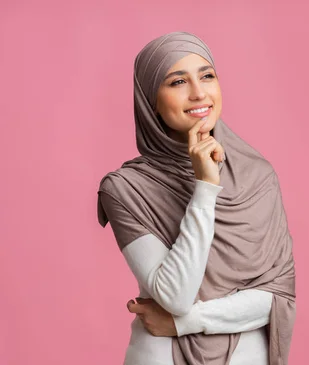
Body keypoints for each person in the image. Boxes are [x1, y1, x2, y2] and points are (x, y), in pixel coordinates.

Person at [96, 31, 296, 365]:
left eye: (207, 76)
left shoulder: (257, 176)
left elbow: (276, 296)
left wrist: (183, 323)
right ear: (151, 102)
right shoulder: (125, 188)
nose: (199, 93)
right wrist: (205, 188)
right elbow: (175, 295)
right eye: (177, 82)